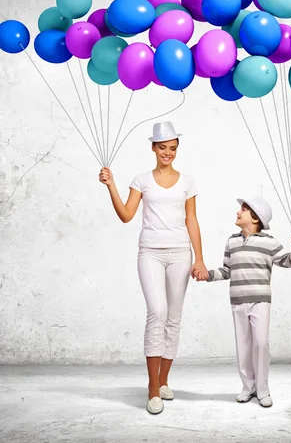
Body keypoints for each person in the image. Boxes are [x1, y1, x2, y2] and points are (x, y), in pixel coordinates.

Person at [99, 121, 208, 415]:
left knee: (173, 317)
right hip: (150, 252)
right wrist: (112, 186)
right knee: (157, 312)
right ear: (153, 148)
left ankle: (163, 381)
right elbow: (126, 215)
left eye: (172, 148)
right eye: (162, 148)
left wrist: (199, 258)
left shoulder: (188, 182)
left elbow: (192, 221)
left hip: (180, 253)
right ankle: (151, 388)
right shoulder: (142, 180)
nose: (167, 153)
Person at [201, 196, 291, 408]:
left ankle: (263, 390)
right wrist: (207, 274)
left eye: (243, 209)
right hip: (238, 302)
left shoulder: (269, 242)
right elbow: (227, 270)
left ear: (255, 218)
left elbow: (289, 262)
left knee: (261, 343)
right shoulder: (232, 241)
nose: (238, 212)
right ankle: (248, 387)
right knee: (244, 347)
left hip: (260, 301)